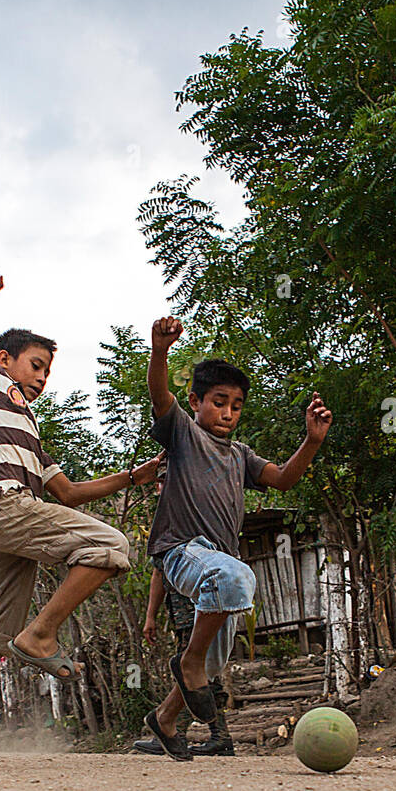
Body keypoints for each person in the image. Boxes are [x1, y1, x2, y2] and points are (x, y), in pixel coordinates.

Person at [0, 266, 161, 764]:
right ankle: (40, 636)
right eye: (36, 366)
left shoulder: (29, 432)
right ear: (5, 360)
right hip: (2, 506)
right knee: (111, 546)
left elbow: (69, 493)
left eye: (47, 372)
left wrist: (135, 476)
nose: (41, 378)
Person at [140, 315, 330, 760]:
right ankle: (187, 663)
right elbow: (159, 394)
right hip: (182, 550)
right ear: (197, 402)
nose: (228, 412)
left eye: (237, 405)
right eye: (219, 402)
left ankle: (164, 719)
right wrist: (160, 351)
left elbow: (283, 479)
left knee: (209, 663)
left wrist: (312, 441)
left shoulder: (240, 455)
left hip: (218, 565)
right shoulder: (183, 433)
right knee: (236, 582)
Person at [133, 471, 237, 756]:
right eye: (160, 480)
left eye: (169, 479)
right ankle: (184, 729)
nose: (163, 485)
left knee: (197, 669)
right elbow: (159, 570)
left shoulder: (195, 510)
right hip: (181, 608)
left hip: (203, 602)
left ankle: (199, 732)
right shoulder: (165, 518)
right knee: (195, 669)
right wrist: (151, 615)